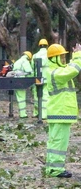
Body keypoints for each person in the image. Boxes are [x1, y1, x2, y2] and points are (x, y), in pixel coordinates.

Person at [45, 43, 81, 178]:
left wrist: (74, 56)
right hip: (60, 112)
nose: (63, 59)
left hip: (58, 112)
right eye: (61, 57)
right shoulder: (56, 73)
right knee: (59, 142)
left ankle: (51, 167)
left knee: (55, 141)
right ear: (54, 59)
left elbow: (69, 68)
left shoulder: (55, 71)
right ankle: (56, 170)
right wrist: (78, 55)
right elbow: (73, 70)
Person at [12, 51, 34, 118]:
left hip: (15, 80)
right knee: (22, 98)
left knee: (19, 98)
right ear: (29, 58)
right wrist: (31, 83)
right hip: (21, 81)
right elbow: (30, 72)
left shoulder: (17, 61)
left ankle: (22, 113)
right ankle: (23, 114)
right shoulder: (25, 62)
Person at [32, 38, 49, 119]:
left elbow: (32, 67)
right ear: (47, 46)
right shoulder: (49, 54)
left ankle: (36, 113)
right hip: (47, 77)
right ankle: (44, 114)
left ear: (39, 46)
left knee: (36, 95)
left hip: (37, 77)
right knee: (45, 96)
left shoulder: (35, 55)